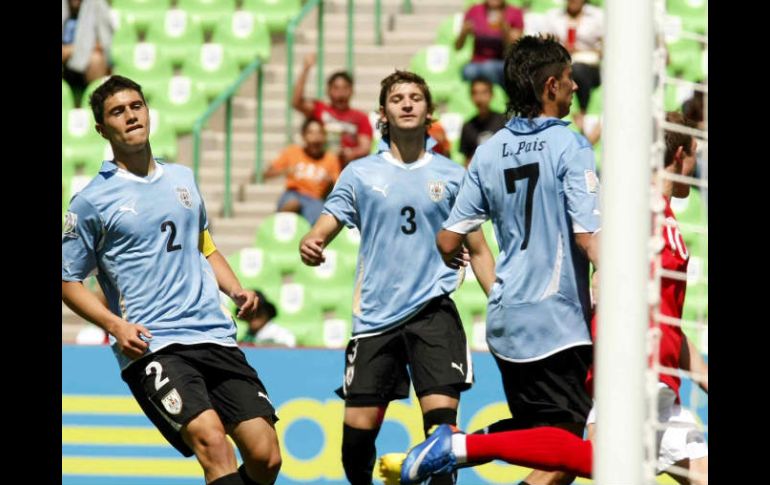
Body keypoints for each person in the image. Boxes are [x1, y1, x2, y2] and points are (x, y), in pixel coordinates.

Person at [399, 112, 709, 484]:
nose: (697, 165)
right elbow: (603, 273)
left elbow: (667, 317)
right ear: (679, 156)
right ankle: (460, 447)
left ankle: (463, 447)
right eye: (696, 154)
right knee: (593, 460)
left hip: (664, 382)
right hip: (635, 366)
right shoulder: (633, 208)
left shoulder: (665, 215)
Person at [61, 75, 282, 485]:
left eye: (136, 106)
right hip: (154, 344)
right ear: (101, 129)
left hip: (214, 335)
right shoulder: (91, 201)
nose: (130, 116)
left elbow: (205, 246)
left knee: (265, 455)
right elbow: (67, 279)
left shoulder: (183, 178)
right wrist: (115, 326)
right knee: (214, 445)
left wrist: (234, 289)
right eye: (117, 112)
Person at [408, 35, 601, 485]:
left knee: (547, 439)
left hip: (508, 319)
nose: (576, 89)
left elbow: (447, 239)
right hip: (558, 322)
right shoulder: (570, 146)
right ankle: (456, 445)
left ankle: (455, 445)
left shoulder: (488, 152)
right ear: (551, 85)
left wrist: (491, 281)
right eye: (570, 80)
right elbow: (588, 237)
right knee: (568, 447)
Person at [298, 70, 496, 485]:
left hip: (434, 314)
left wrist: (500, 301)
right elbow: (325, 225)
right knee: (355, 446)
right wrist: (312, 242)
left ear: (429, 112)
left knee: (442, 442)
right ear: (383, 113)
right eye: (397, 98)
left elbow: (477, 249)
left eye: (415, 98)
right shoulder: (360, 174)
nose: (407, 104)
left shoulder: (453, 176)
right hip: (375, 318)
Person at [292, 53, 373, 167]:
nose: (340, 93)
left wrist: (351, 153)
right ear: (328, 90)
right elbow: (296, 102)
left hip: (346, 168)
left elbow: (365, 147)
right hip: (320, 166)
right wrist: (306, 69)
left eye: (345, 88)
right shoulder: (319, 109)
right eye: (336, 88)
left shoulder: (360, 117)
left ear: (351, 91)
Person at [263, 118, 342, 224]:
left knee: (318, 218)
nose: (315, 137)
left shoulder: (331, 158)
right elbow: (266, 174)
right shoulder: (292, 151)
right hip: (293, 193)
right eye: (311, 133)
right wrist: (285, 171)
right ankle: (277, 229)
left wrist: (329, 182)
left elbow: (338, 185)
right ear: (304, 136)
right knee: (292, 204)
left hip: (314, 198)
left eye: (319, 133)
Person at [542, 0, 604, 132]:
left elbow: (608, 47)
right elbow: (544, 41)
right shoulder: (553, 16)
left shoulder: (598, 16)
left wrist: (584, 51)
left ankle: (583, 110)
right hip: (561, 62)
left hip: (590, 66)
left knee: (578, 71)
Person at [455, 0, 524, 87]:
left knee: (489, 68)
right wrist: (463, 32)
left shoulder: (515, 13)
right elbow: (458, 46)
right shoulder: (474, 11)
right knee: (468, 71)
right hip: (477, 63)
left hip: (502, 62)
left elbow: (514, 48)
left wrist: (505, 30)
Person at [62, 0, 112, 94]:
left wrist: (73, 50)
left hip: (86, 60)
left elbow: (104, 43)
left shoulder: (97, 5)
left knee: (96, 59)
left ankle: (96, 98)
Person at [459, 77, 507, 166]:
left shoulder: (504, 122)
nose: (479, 97)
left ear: (492, 94)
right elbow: (467, 159)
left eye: (484, 92)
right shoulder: (468, 126)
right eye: (475, 93)